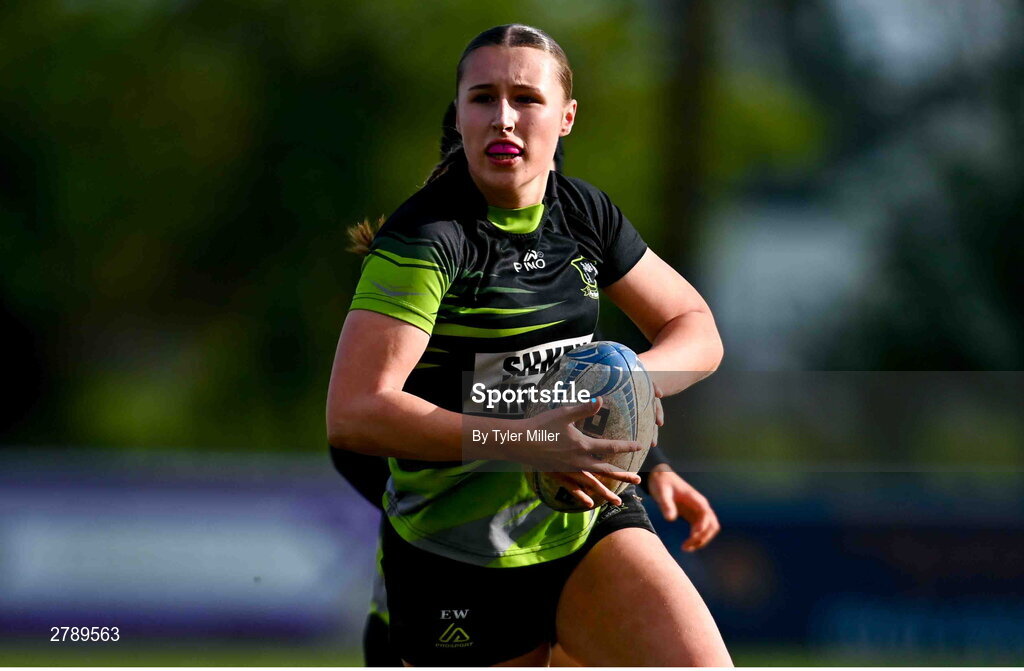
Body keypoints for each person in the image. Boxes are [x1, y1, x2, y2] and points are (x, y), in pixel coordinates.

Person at [327, 24, 730, 666]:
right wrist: (528, 441)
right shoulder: (426, 241)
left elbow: (694, 326)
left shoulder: (585, 214)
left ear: (566, 117)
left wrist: (633, 396)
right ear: (459, 113)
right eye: (483, 98)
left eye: (526, 98)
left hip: (584, 521)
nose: (504, 117)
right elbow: (354, 413)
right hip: (456, 551)